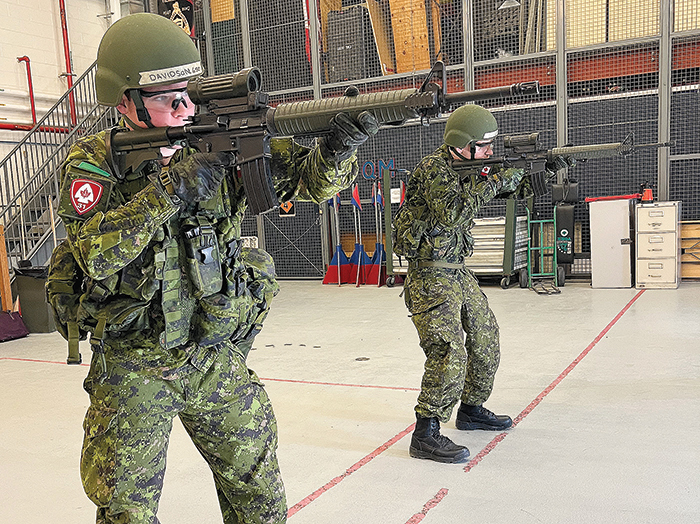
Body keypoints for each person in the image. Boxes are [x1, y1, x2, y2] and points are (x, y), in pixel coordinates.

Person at [52, 13, 377, 523]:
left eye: (190, 93)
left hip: (210, 351)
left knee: (259, 490)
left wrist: (341, 148)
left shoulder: (219, 139)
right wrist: (170, 188)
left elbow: (312, 184)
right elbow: (96, 254)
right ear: (125, 102)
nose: (185, 108)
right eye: (167, 98)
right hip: (135, 361)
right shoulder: (94, 162)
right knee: (125, 510)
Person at [392, 104, 568, 464]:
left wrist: (544, 172)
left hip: (456, 270)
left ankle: (471, 409)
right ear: (462, 143)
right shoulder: (433, 169)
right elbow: (453, 212)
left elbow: (518, 192)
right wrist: (497, 177)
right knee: (449, 348)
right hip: (429, 273)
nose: (490, 152)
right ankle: (425, 433)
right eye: (484, 146)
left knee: (486, 336)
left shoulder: (474, 168)